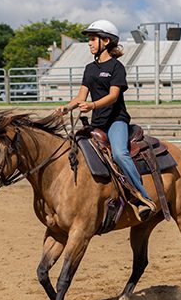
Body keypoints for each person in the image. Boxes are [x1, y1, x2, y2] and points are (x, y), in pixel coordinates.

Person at [57, 19, 156, 220]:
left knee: (119, 154)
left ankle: (143, 198)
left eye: (93, 39)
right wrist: (66, 108)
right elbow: (80, 97)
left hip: (116, 121)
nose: (90, 43)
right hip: (97, 123)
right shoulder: (89, 69)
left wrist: (92, 106)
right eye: (90, 40)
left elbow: (113, 96)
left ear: (107, 41)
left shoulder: (116, 67)